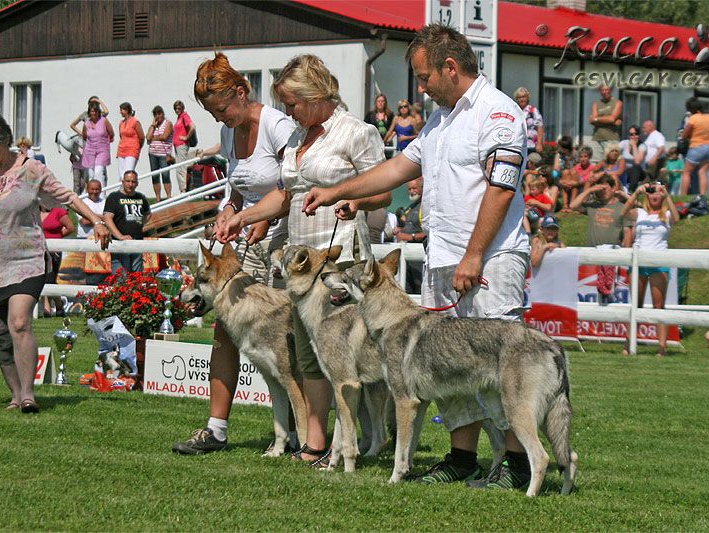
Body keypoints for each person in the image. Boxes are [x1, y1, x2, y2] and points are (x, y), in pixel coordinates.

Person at [302, 24, 533, 490]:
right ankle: (461, 458)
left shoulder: (499, 114)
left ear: (451, 67)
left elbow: (501, 188)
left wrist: (473, 255)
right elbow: (398, 167)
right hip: (443, 259)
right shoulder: (440, 119)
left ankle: (517, 464)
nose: (420, 87)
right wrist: (338, 192)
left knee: (500, 365)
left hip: (488, 261)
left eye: (424, 76)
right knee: (445, 366)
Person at [214, 54, 391, 466]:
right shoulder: (296, 137)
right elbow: (286, 195)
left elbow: (383, 191)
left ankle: (354, 441)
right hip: (299, 270)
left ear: (315, 94)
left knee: (344, 356)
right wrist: (243, 216)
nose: (287, 112)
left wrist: (354, 199)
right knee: (310, 355)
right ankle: (316, 441)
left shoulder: (356, 132)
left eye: (292, 103)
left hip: (340, 262)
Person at [171, 51, 297, 455]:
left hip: (285, 245)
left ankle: (302, 434)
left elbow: (292, 188)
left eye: (222, 108)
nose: (220, 118)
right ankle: (216, 428)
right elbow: (238, 187)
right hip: (247, 243)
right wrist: (229, 212)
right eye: (212, 113)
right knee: (225, 330)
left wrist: (254, 217)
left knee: (293, 343)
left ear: (241, 92)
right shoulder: (229, 133)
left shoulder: (278, 126)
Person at [0, 112, 110, 413]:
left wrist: (96, 220)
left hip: (25, 260)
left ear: (5, 140)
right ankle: (16, 395)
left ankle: (29, 394)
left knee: (19, 321)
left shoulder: (31, 170)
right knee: (2, 335)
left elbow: (67, 197)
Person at [621, 180, 680, 356]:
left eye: (658, 192)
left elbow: (677, 219)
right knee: (636, 304)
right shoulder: (639, 212)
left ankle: (662, 347)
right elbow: (623, 213)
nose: (655, 195)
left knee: (658, 305)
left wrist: (667, 194)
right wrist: (637, 192)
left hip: (659, 263)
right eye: (652, 192)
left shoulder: (667, 214)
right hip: (639, 262)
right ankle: (629, 344)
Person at [570, 174, 632, 303]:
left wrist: (626, 254)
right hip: (591, 256)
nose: (602, 192)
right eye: (600, 189)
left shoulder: (622, 207)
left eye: (605, 189)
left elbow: (627, 233)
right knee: (588, 295)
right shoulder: (593, 205)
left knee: (609, 296)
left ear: (613, 187)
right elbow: (573, 206)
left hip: (611, 257)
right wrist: (590, 190)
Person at [102, 170, 150, 273]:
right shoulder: (114, 197)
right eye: (127, 181)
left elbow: (148, 214)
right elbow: (107, 218)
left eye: (133, 182)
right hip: (119, 242)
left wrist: (139, 225)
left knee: (136, 277)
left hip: (137, 241)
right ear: (122, 182)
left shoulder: (141, 197)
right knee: (121, 278)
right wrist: (119, 236)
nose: (130, 184)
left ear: (137, 183)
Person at [392, 177, 426, 293]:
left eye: (414, 188)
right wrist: (398, 230)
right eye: (409, 189)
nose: (411, 191)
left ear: (422, 188)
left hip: (421, 258)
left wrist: (409, 237)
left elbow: (429, 233)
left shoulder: (425, 207)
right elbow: (405, 228)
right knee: (407, 290)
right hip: (407, 259)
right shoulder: (410, 208)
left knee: (419, 291)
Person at [40, 203, 74, 317]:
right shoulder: (34, 211)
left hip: (54, 251)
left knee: (50, 278)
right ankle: (58, 305)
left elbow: (70, 227)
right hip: (38, 250)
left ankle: (47, 309)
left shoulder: (58, 211)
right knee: (41, 278)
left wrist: (57, 238)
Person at [679, 97, 709, 197]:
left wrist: (685, 136)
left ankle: (683, 196)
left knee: (686, 172)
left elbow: (685, 135)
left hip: (697, 146)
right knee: (702, 171)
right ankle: (703, 195)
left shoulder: (693, 118)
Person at [78, 179, 109, 285]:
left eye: (97, 189)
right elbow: (84, 221)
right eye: (92, 189)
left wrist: (92, 216)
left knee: (101, 273)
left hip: (102, 241)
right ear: (87, 189)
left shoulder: (105, 202)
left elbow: (110, 219)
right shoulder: (81, 202)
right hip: (85, 240)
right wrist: (102, 218)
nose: (95, 191)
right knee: (85, 273)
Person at [81, 101, 114, 188]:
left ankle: (102, 195)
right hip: (90, 150)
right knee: (91, 174)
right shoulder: (86, 123)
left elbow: (111, 133)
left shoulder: (104, 121)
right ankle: (92, 195)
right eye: (92, 111)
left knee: (99, 171)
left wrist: (105, 142)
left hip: (102, 150)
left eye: (95, 111)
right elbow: (84, 136)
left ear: (98, 112)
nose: (93, 113)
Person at [588, 84, 622, 164]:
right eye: (602, 90)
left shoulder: (617, 103)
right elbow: (591, 120)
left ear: (610, 90)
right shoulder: (596, 103)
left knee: (612, 163)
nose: (604, 92)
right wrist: (609, 120)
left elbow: (612, 118)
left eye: (606, 90)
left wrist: (597, 119)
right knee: (595, 163)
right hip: (597, 137)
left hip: (611, 138)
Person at [146, 105, 174, 202]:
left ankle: (168, 197)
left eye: (159, 114)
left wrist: (153, 138)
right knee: (155, 176)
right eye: (155, 115)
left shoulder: (168, 123)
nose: (157, 116)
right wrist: (153, 126)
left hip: (163, 154)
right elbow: (147, 137)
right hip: (153, 153)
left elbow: (164, 136)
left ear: (162, 114)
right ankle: (158, 197)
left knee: (165, 175)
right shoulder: (153, 126)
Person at [560, 147, 595, 212]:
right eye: (581, 157)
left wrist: (572, 183)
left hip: (583, 190)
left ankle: (572, 205)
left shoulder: (592, 168)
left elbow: (585, 181)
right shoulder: (577, 166)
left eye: (585, 156)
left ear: (589, 157)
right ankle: (565, 205)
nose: (583, 159)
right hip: (573, 188)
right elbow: (567, 177)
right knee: (566, 172)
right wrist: (565, 182)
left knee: (573, 175)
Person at [172, 100, 197, 194]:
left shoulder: (184, 116)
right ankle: (182, 189)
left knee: (181, 167)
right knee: (179, 168)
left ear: (182, 108)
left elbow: (192, 126)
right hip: (177, 146)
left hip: (182, 145)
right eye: (176, 108)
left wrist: (186, 137)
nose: (177, 110)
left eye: (179, 108)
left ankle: (184, 190)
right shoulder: (179, 118)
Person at [116, 102, 144, 181]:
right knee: (121, 175)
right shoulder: (121, 123)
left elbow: (141, 137)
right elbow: (121, 136)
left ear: (127, 110)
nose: (120, 112)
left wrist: (138, 148)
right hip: (121, 150)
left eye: (122, 110)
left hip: (132, 149)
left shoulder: (135, 121)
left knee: (128, 173)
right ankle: (121, 191)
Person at [513, 87, 544, 155]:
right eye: (519, 97)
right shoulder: (514, 111)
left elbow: (540, 127)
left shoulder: (533, 111)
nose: (521, 99)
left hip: (531, 145)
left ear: (527, 98)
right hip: (517, 145)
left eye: (523, 97)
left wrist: (539, 143)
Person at [619, 125, 647, 192]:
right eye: (631, 134)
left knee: (635, 167)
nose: (634, 136)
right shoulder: (624, 143)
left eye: (636, 134)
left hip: (639, 172)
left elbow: (637, 161)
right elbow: (614, 152)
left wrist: (634, 146)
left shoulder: (642, 146)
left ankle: (630, 190)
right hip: (624, 171)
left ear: (639, 135)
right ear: (629, 136)